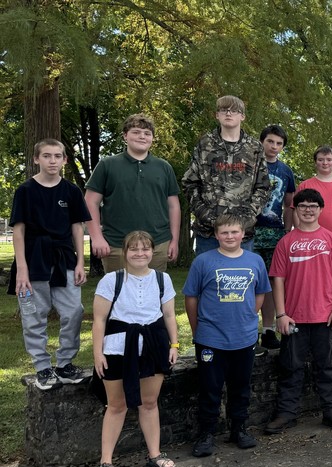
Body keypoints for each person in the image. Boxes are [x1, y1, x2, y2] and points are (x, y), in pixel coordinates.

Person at [92, 231, 179, 467]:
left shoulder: (163, 279)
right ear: (125, 252)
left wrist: (173, 344)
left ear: (153, 252)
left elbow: (170, 315)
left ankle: (154, 453)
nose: (140, 253)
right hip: (118, 347)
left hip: (153, 346)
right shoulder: (111, 280)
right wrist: (98, 353)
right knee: (116, 405)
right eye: (134, 249)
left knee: (149, 403)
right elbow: (98, 320)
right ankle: (106, 461)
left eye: (145, 249)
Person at [184, 214, 271, 457]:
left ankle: (239, 428)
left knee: (241, 386)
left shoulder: (255, 261)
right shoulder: (203, 261)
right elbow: (191, 297)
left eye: (234, 232)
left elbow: (261, 293)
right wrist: (196, 328)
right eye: (224, 233)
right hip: (211, 338)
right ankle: (207, 433)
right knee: (210, 387)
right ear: (215, 235)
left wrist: (247, 317)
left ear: (243, 234)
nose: (230, 237)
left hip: (243, 337)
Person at [265, 189, 332, 434]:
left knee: (328, 367)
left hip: (325, 316)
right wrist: (280, 314)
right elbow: (277, 280)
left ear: (321, 210)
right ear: (296, 209)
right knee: (290, 367)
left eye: (313, 206)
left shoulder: (330, 239)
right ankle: (287, 413)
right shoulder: (286, 242)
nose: (308, 209)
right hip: (294, 317)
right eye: (303, 205)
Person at [11, 139, 90, 390]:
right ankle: (43, 367)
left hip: (64, 257)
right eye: (47, 156)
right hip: (33, 259)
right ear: (36, 159)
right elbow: (19, 231)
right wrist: (22, 268)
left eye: (58, 156)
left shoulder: (71, 191)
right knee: (34, 314)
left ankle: (65, 363)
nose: (52, 161)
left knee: (74, 311)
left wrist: (80, 262)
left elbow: (77, 227)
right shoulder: (25, 190)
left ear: (65, 160)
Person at [84, 113, 181, 272]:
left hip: (157, 245)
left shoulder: (164, 167)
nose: (142, 136)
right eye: (136, 132)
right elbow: (90, 202)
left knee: (153, 294)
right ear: (125, 135)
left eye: (147, 133)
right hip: (116, 245)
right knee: (118, 294)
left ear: (152, 138)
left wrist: (174, 241)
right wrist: (96, 238)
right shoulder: (107, 165)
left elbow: (173, 206)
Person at [181, 95, 270, 255]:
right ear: (217, 115)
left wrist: (247, 217)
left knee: (241, 278)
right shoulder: (205, 144)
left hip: (242, 233)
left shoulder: (254, 147)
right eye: (224, 110)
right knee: (208, 278)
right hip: (208, 233)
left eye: (234, 111)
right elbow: (190, 183)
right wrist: (205, 215)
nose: (228, 114)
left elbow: (262, 187)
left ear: (242, 116)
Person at [253, 124, 295, 351]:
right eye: (270, 141)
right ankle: (248, 331)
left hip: (274, 233)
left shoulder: (286, 171)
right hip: (249, 232)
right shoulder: (249, 165)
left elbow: (289, 204)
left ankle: (268, 330)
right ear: (262, 142)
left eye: (279, 144)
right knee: (248, 282)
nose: (274, 147)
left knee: (271, 282)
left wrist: (287, 232)